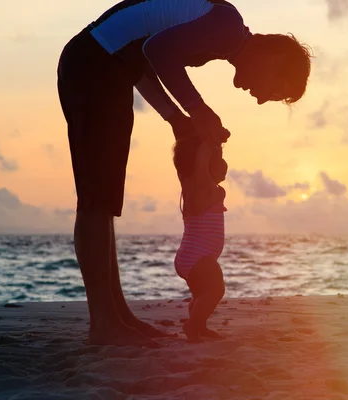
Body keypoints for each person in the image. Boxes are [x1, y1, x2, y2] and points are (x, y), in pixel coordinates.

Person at [57, 0, 312, 347]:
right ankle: (104, 324)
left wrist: (177, 119)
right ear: (275, 59)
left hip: (111, 70)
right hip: (94, 65)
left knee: (106, 201)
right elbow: (157, 51)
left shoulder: (220, 35)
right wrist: (197, 109)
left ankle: (117, 315)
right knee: (95, 201)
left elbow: (143, 61)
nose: (261, 99)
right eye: (275, 90)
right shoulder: (226, 23)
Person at [172, 132, 228, 342]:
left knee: (201, 295)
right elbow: (203, 161)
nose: (224, 165)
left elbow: (199, 163)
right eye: (220, 161)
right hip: (199, 257)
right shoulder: (206, 187)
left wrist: (215, 148)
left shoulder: (188, 188)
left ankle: (199, 325)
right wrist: (212, 139)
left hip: (188, 257)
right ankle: (192, 325)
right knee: (216, 291)